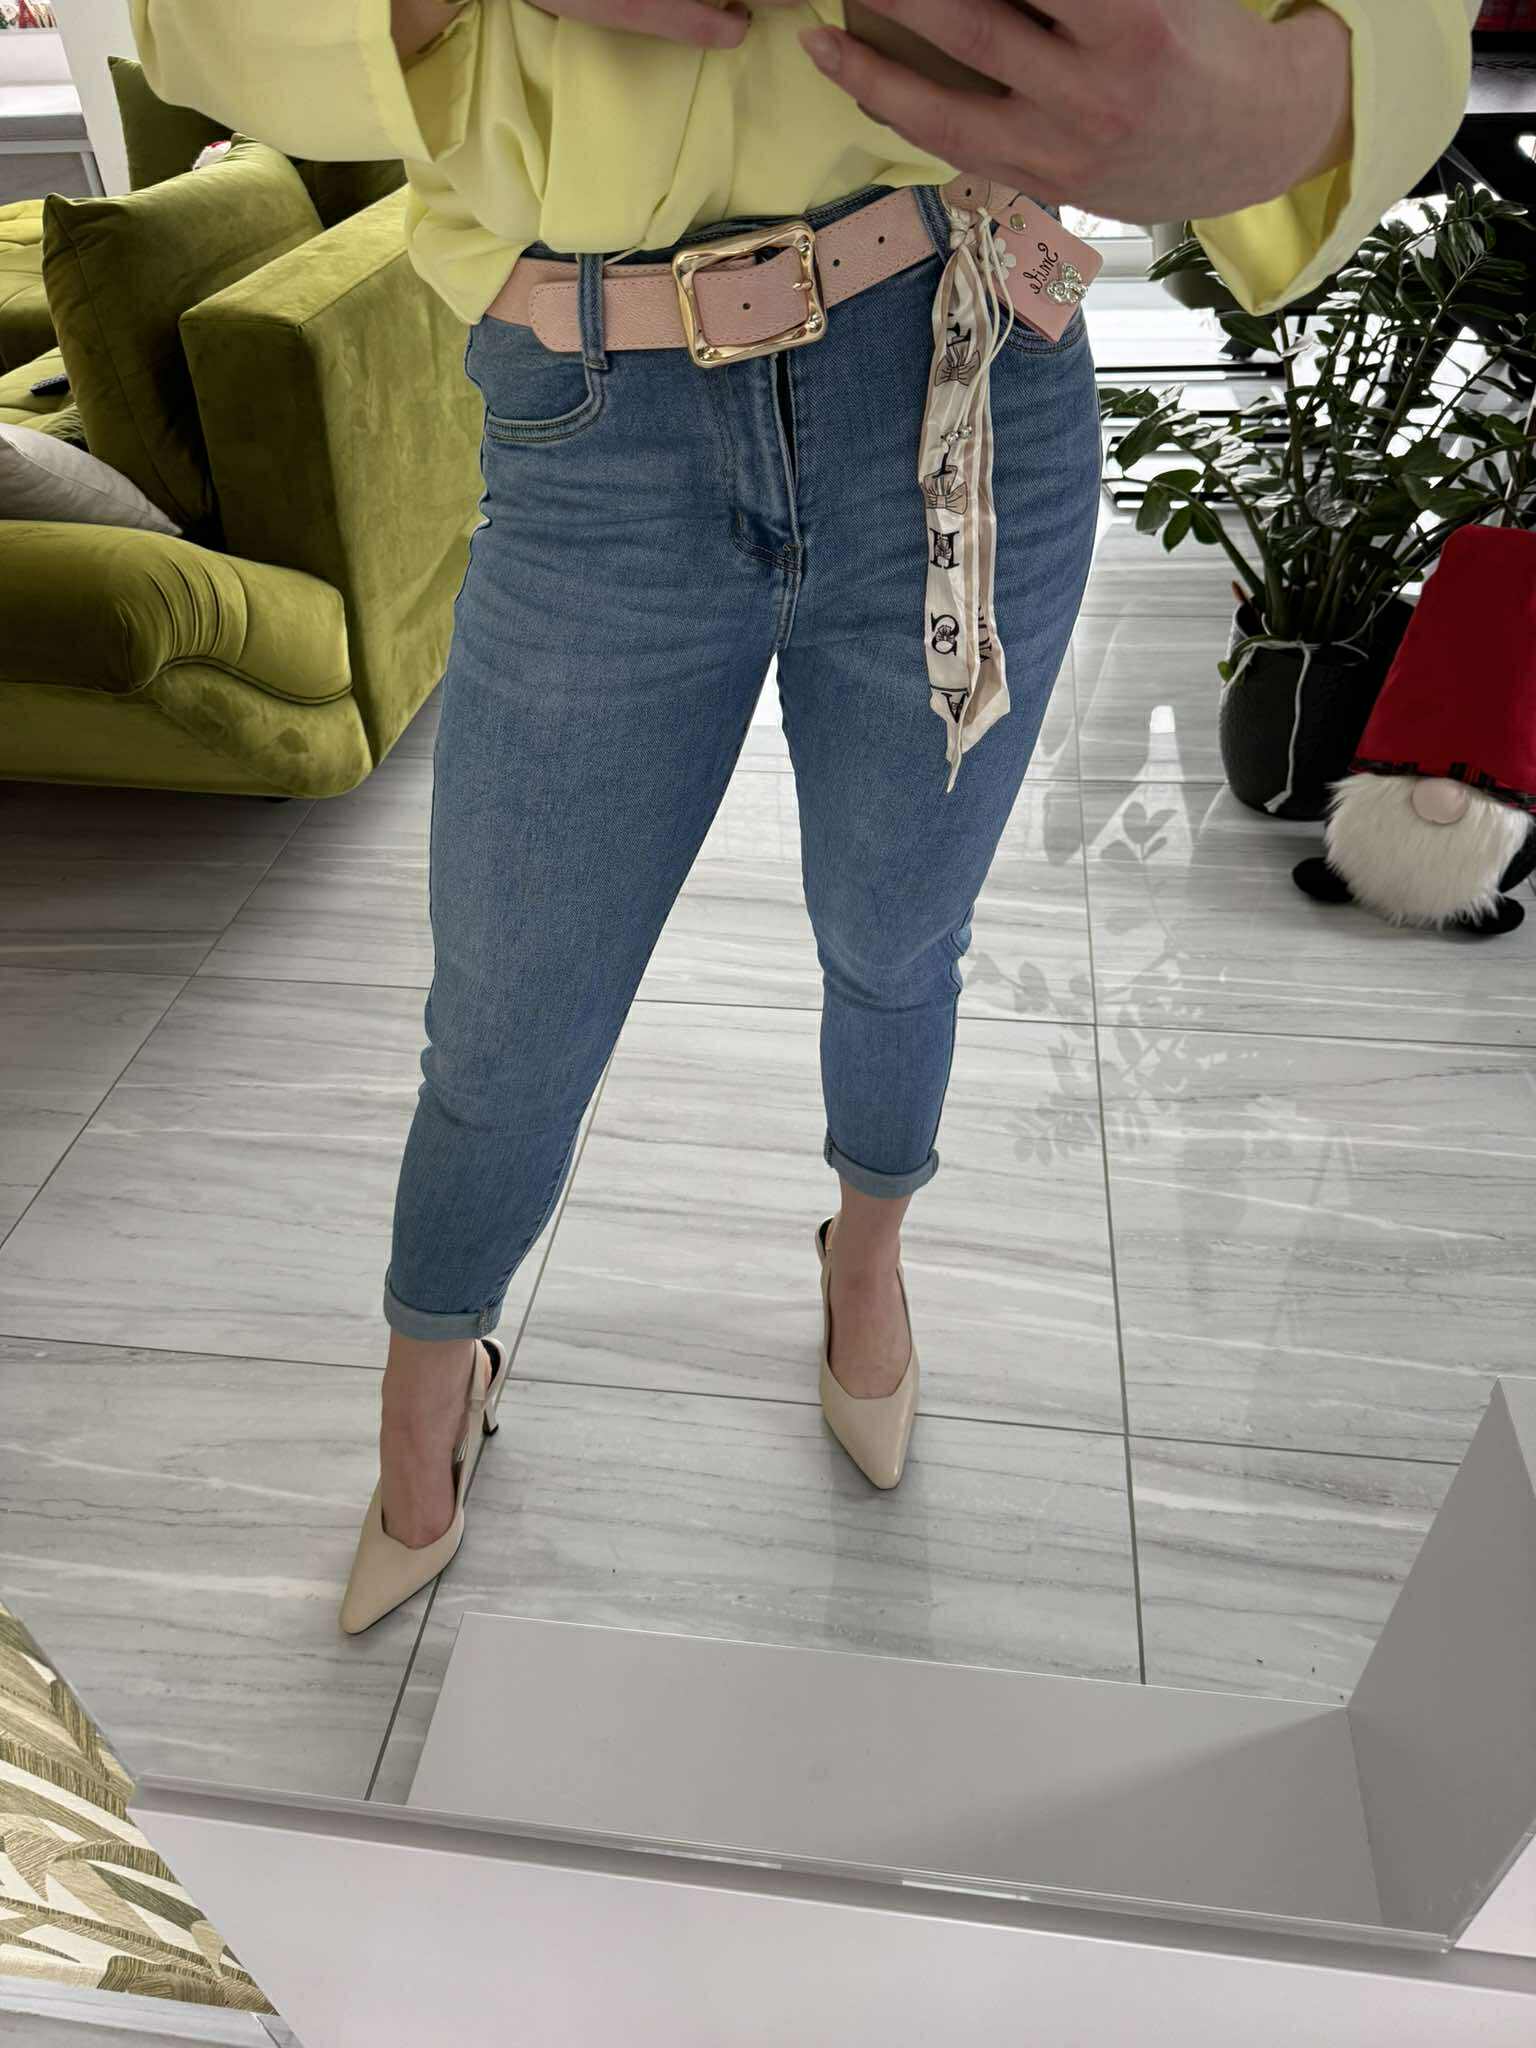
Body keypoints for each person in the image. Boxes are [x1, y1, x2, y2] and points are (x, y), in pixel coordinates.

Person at [130, 0, 1478, 1631]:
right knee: (510, 1012)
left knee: (900, 934)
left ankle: (865, 1258)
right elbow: (179, 21)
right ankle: (431, 1372)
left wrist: (1325, 80)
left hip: (961, 364)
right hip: (595, 416)